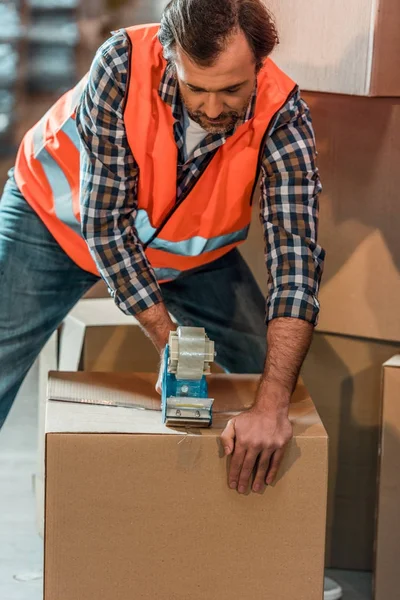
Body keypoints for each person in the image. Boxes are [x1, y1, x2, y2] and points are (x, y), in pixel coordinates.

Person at [1, 0, 323, 501]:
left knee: (270, 369)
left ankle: (274, 558)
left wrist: (272, 403)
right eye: (196, 87)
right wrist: (171, 344)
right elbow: (106, 226)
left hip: (188, 255)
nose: (213, 109)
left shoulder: (284, 113)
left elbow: (296, 259)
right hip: (53, 222)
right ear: (171, 57)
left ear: (261, 63)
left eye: (233, 90)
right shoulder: (123, 65)